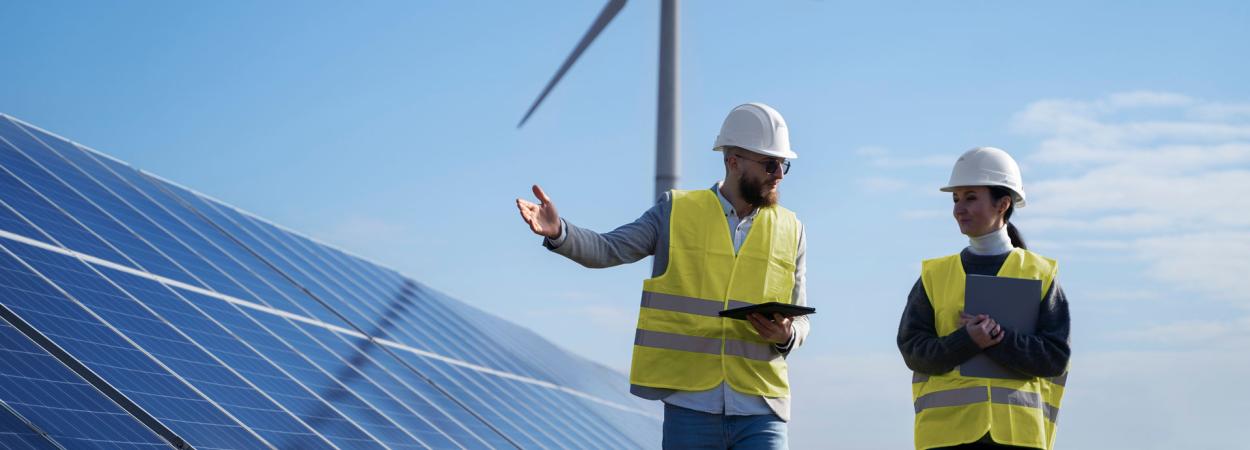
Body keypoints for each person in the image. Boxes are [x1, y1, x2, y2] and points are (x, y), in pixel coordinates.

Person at [516, 103, 809, 450]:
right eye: (770, 164)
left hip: (762, 408)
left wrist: (787, 334)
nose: (779, 174)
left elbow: (800, 317)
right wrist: (559, 232)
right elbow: (609, 249)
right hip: (692, 407)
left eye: (784, 165)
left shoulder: (792, 228)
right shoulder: (675, 211)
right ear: (734, 161)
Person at [896, 147, 1071, 450]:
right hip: (947, 436)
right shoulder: (934, 275)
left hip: (1018, 436)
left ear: (1003, 204)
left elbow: (1054, 357)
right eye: (956, 199)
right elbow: (914, 351)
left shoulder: (1039, 274)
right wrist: (967, 340)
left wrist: (998, 340)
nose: (958, 208)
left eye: (970, 197)